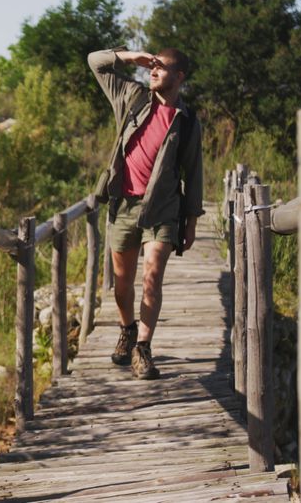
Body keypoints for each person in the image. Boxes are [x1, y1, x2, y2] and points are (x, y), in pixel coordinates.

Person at [86, 46, 204, 380]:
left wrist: (191, 221)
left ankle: (143, 348)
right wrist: (131, 56)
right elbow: (95, 62)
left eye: (160, 68)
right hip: (123, 203)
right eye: (151, 67)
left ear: (179, 76)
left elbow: (194, 173)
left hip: (163, 209)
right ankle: (127, 328)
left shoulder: (188, 120)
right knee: (122, 285)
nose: (152, 71)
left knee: (152, 277)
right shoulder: (132, 96)